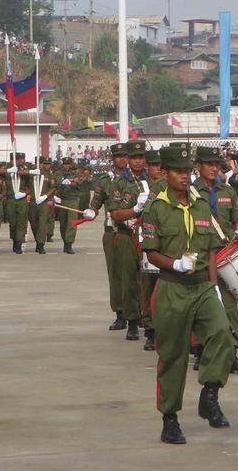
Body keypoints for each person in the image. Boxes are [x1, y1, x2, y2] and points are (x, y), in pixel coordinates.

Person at [141, 145, 234, 445]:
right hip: (172, 287)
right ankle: (170, 419)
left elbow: (210, 249)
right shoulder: (156, 207)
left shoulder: (201, 204)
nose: (184, 176)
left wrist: (214, 288)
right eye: (178, 171)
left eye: (187, 171)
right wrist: (174, 263)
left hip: (202, 286)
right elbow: (152, 254)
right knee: (173, 356)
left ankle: (209, 394)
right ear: (165, 173)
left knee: (222, 334)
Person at [193, 146, 238, 374]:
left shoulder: (228, 192)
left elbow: (235, 220)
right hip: (199, 257)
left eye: (217, 164)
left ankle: (232, 352)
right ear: (198, 166)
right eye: (208, 164)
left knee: (229, 305)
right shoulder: (191, 193)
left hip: (224, 256)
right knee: (201, 306)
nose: (213, 168)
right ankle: (202, 351)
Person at [106, 140, 148, 341]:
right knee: (129, 279)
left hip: (149, 236)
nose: (138, 162)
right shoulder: (119, 183)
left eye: (141, 157)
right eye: (134, 158)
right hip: (126, 235)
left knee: (146, 281)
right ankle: (131, 321)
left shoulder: (152, 180)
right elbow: (115, 213)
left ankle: (147, 321)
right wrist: (134, 210)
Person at [84, 144, 128, 330]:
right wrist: (91, 211)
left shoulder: (137, 179)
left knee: (135, 276)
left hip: (134, 232)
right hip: (113, 232)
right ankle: (120, 313)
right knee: (115, 274)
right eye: (118, 157)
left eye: (125, 156)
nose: (122, 160)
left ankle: (138, 313)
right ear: (113, 159)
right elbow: (96, 202)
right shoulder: (105, 181)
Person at [138, 149, 166, 350]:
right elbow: (146, 216)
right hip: (152, 242)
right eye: (155, 165)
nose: (158, 169)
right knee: (149, 288)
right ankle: (151, 331)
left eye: (161, 166)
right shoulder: (153, 188)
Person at [54, 157, 83, 254]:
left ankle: (69, 244)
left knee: (72, 223)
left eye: (68, 164)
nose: (66, 166)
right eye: (65, 164)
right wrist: (71, 180)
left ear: (71, 164)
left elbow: (78, 182)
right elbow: (57, 182)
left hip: (72, 200)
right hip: (62, 200)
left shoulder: (76, 172)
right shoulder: (58, 173)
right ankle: (65, 242)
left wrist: (68, 181)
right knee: (63, 224)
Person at [28, 156, 56, 254]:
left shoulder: (49, 175)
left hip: (44, 202)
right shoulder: (31, 173)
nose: (46, 165)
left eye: (48, 164)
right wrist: (31, 172)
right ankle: (37, 241)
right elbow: (20, 174)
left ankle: (41, 245)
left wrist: (45, 196)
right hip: (33, 202)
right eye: (44, 163)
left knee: (42, 224)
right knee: (34, 223)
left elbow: (53, 187)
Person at [5, 153, 30, 254]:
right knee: (13, 223)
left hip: (21, 200)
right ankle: (15, 240)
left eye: (21, 159)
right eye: (16, 159)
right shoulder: (6, 171)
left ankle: (18, 244)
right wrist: (10, 170)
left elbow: (30, 187)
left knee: (21, 223)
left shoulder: (25, 171)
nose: (19, 161)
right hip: (11, 200)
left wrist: (24, 194)